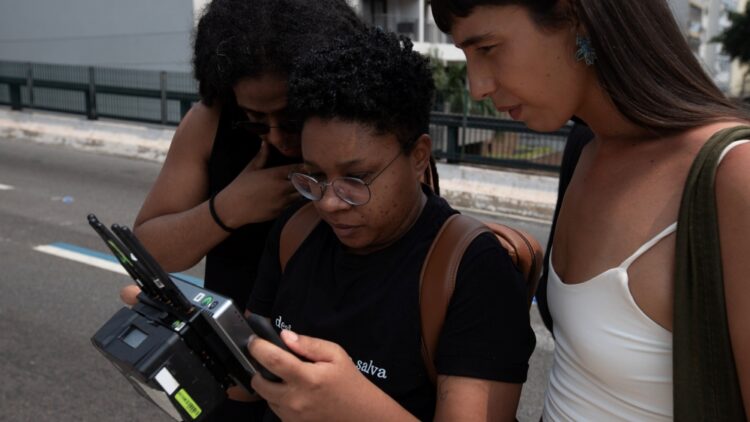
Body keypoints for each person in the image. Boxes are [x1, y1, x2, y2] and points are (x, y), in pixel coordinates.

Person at [430, 0, 750, 420]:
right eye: (464, 54)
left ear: (576, 18)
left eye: (487, 48)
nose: (476, 86)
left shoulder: (732, 174)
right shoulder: (584, 149)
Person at [246, 27, 535, 421]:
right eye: (314, 176)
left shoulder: (473, 269)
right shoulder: (296, 232)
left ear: (418, 157)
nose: (330, 202)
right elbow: (245, 385)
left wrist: (352, 407)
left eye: (357, 179)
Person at [126, 0, 365, 419]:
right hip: (234, 382)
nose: (277, 139)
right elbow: (149, 251)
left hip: (338, 387)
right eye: (254, 119)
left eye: (292, 117)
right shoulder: (209, 122)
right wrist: (230, 207)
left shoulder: (366, 128)